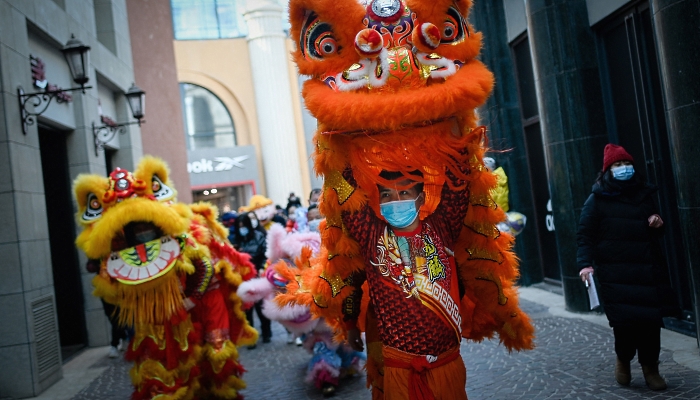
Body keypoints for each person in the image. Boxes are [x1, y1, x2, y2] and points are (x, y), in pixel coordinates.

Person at [343, 170, 470, 400]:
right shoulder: (372, 237)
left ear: (420, 199)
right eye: (387, 195)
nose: (396, 202)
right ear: (379, 202)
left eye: (404, 192)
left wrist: (457, 140)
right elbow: (346, 195)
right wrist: (337, 154)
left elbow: (458, 189)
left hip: (447, 368)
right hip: (400, 373)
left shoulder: (442, 228)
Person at [577, 144, 679, 391]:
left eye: (626, 164)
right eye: (617, 165)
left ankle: (650, 368)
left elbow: (658, 223)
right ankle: (623, 360)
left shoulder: (644, 194)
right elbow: (585, 234)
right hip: (616, 273)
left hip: (646, 269)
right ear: (608, 170)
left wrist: (657, 222)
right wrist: (585, 264)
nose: (623, 169)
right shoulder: (597, 199)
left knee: (650, 324)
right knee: (624, 325)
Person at [234, 213, 272, 347]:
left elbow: (265, 254)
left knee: (260, 306)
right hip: (242, 278)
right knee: (247, 309)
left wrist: (262, 267)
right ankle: (251, 336)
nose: (242, 228)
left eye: (244, 226)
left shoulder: (258, 237)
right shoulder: (236, 240)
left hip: (257, 275)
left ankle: (266, 333)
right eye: (239, 226)